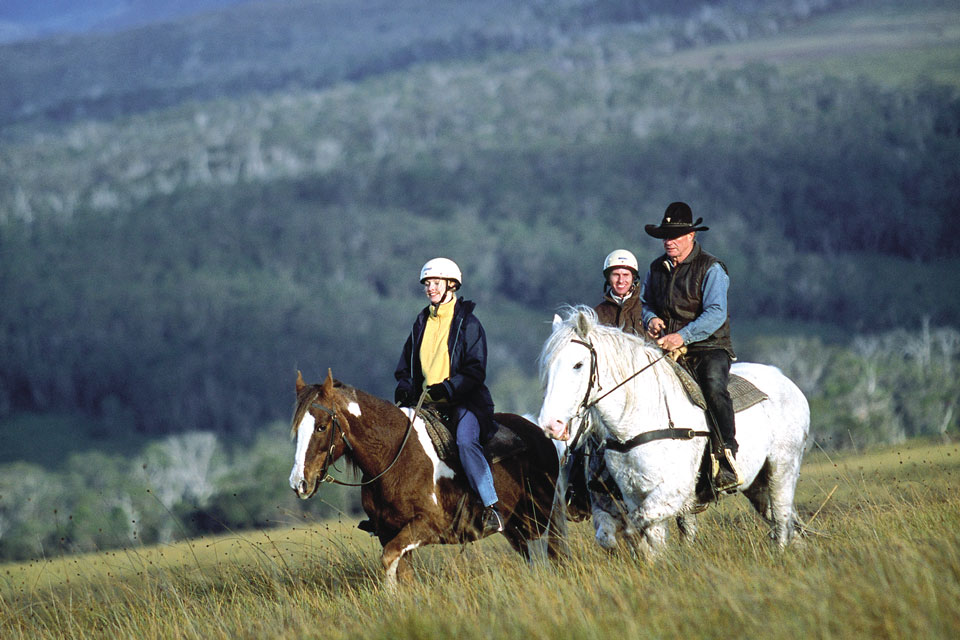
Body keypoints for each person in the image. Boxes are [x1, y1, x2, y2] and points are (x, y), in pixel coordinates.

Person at [394, 257, 504, 535]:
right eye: (427, 284)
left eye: (436, 283)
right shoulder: (421, 322)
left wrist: (450, 387)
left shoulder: (469, 323)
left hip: (464, 402)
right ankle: (392, 513)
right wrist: (406, 385)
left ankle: (491, 508)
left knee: (466, 443)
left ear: (451, 285)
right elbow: (407, 362)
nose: (430, 288)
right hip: (426, 404)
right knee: (397, 441)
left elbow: (476, 369)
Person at [639, 202, 742, 491]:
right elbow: (645, 302)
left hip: (709, 347)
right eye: (665, 236)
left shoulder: (712, 268)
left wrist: (682, 336)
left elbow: (715, 313)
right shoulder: (656, 268)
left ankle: (726, 454)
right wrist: (652, 318)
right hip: (667, 347)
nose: (668, 241)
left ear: (691, 236)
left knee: (712, 386)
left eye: (675, 235)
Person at [594, 249, 644, 335]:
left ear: (633, 277)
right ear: (608, 278)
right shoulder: (598, 313)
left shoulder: (648, 308)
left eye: (625, 275)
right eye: (616, 275)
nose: (621, 280)